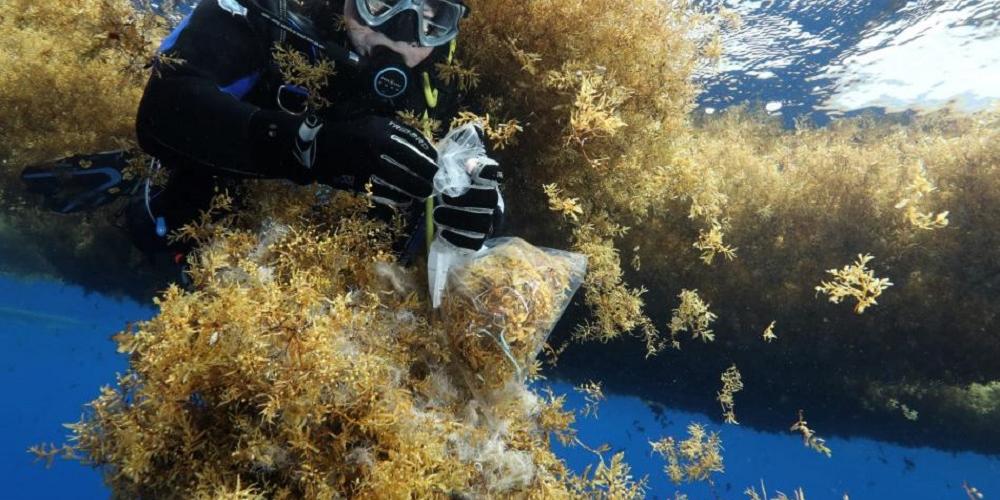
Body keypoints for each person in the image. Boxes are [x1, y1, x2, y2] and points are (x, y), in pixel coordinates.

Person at [24, 0, 503, 262]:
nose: (402, 30)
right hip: (221, 181)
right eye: (381, 1)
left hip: (321, 256)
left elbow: (480, 168)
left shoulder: (444, 79)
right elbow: (166, 107)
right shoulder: (262, 13)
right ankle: (132, 178)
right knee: (157, 232)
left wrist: (479, 210)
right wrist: (310, 147)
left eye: (432, 16)